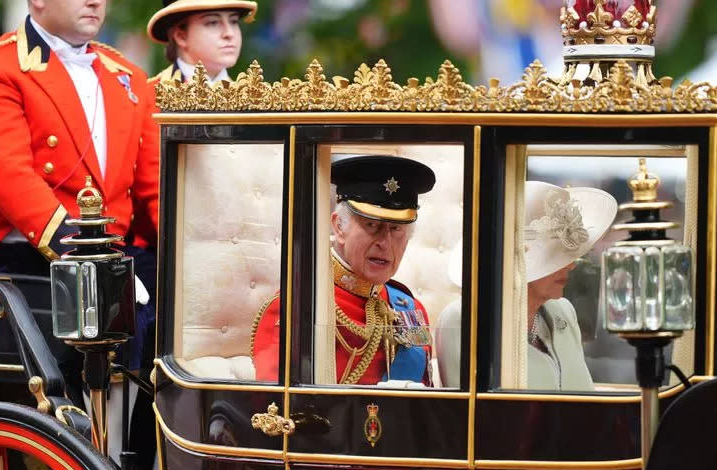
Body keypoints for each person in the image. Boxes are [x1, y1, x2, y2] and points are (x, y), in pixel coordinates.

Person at [0, 0, 160, 470]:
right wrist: (91, 258)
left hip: (109, 255)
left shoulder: (128, 76)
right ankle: (102, 468)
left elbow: (154, 190)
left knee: (181, 298)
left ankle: (142, 466)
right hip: (16, 254)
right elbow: (15, 186)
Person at [251, 155, 437, 385]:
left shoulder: (411, 309)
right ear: (339, 227)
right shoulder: (295, 309)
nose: (385, 243)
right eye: (372, 225)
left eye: (396, 229)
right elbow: (278, 410)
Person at [436, 181, 617, 391]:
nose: (570, 265)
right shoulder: (464, 318)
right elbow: (468, 413)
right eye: (554, 257)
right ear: (518, 260)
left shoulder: (564, 312)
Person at [147, 0, 257, 84]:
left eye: (234, 21)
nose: (229, 33)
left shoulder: (253, 100)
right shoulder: (149, 98)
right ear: (181, 36)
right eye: (213, 22)